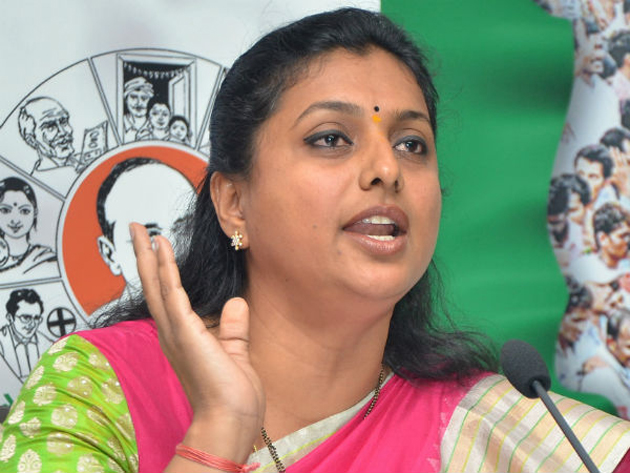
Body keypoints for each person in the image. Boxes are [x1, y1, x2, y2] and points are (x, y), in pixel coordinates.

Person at [2, 8, 630, 473]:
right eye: (331, 138)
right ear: (233, 203)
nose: (386, 169)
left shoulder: (497, 431)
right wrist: (218, 432)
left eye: (412, 144)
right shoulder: (103, 386)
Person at [93, 157, 195, 315]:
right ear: (110, 254)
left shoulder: (228, 313)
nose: (173, 249)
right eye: (150, 235)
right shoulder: (98, 329)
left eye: (185, 227)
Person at [17, 97, 82, 191]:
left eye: (64, 122)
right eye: (50, 127)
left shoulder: (83, 159)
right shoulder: (40, 184)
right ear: (31, 140)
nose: (63, 132)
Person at [0, 177, 57, 281]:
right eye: (5, 210)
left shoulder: (44, 257)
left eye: (24, 211)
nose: (15, 220)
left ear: (35, 213)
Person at [0, 288, 53, 382]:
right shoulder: (2, 343)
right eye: (26, 317)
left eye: (36, 318)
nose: (32, 324)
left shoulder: (48, 344)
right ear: (10, 318)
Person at [123, 77, 154, 143]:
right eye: (133, 97)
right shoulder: (119, 123)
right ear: (126, 100)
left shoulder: (155, 125)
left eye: (144, 98)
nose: (139, 103)